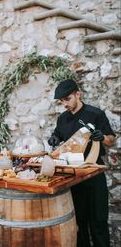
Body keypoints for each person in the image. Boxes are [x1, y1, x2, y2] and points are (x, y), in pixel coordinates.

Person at [48, 79, 116, 247]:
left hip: (93, 173)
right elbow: (58, 136)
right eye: (62, 101)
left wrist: (103, 138)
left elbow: (111, 140)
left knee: (99, 222)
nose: (65, 104)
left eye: (68, 99)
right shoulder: (62, 119)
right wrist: (54, 138)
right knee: (79, 224)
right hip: (73, 176)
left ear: (78, 94)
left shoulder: (95, 114)